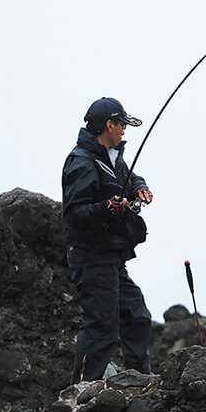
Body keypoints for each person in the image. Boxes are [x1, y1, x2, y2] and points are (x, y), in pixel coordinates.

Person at [61, 97, 154, 384]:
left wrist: (140, 188)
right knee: (101, 327)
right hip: (90, 256)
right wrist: (107, 208)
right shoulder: (82, 161)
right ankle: (79, 395)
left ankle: (141, 382)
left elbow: (129, 176)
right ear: (109, 124)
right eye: (122, 124)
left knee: (136, 315)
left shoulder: (111, 157)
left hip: (111, 256)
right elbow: (74, 213)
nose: (124, 130)